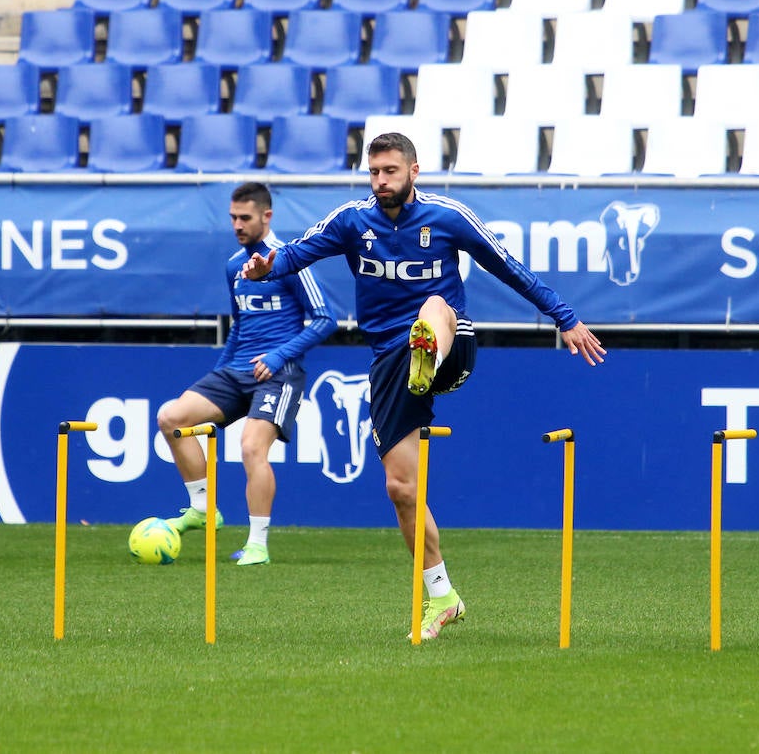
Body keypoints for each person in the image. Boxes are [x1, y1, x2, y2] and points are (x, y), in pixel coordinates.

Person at [241, 132, 606, 640]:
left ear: (415, 170)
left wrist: (564, 318)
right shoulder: (352, 220)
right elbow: (297, 253)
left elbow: (509, 268)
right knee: (401, 489)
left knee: (433, 307)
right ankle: (444, 597)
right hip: (389, 363)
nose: (380, 181)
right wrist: (266, 267)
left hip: (452, 344)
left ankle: (425, 353)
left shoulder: (448, 216)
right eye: (373, 172)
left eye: (390, 171)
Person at [158, 182, 337, 566]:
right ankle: (203, 508)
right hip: (236, 370)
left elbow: (326, 319)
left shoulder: (288, 260)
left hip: (279, 373)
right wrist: (221, 370)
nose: (237, 225)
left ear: (266, 217)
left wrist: (277, 356)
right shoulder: (233, 266)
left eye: (245, 218)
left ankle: (257, 544)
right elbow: (239, 324)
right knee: (171, 417)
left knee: (252, 447)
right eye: (233, 218)